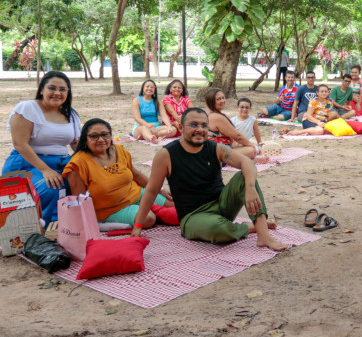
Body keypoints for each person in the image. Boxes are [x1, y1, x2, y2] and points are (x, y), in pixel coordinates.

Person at [131, 108, 285, 250]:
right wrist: (138, 225)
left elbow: (246, 162)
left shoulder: (215, 148)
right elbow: (151, 190)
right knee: (218, 230)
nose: (200, 129)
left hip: (222, 206)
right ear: (181, 127)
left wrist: (250, 187)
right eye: (193, 124)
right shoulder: (166, 155)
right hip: (193, 217)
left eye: (204, 126)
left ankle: (263, 234)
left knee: (244, 178)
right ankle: (248, 227)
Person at [63, 118, 173, 227]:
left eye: (105, 134)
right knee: (148, 219)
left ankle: (150, 210)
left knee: (173, 204)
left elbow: (136, 175)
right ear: (85, 139)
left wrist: (159, 190)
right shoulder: (77, 165)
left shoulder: (118, 150)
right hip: (110, 209)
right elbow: (80, 200)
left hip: (135, 194)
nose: (100, 139)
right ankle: (104, 223)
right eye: (94, 136)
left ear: (110, 136)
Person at [3, 71, 81, 223]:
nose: (57, 93)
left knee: (84, 181)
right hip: (28, 163)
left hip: (62, 162)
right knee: (52, 188)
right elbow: (20, 144)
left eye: (62, 89)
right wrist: (45, 170)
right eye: (52, 88)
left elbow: (76, 144)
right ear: (41, 90)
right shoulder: (27, 108)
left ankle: (75, 223)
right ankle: (47, 230)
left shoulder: (71, 114)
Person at [205, 88, 266, 162]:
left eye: (223, 98)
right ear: (211, 101)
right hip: (216, 152)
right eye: (218, 99)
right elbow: (237, 136)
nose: (222, 101)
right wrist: (251, 145)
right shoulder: (217, 117)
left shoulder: (208, 112)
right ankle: (229, 162)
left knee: (241, 145)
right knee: (251, 150)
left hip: (215, 148)